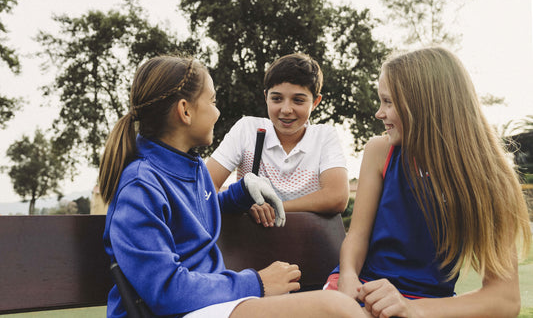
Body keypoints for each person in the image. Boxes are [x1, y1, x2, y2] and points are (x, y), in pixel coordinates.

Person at [99, 55, 362, 318]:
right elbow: (167, 291)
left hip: (210, 304)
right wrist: (257, 283)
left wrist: (242, 192)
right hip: (181, 309)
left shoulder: (191, 167)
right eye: (212, 101)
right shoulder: (140, 187)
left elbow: (195, 213)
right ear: (185, 111)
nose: (218, 111)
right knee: (335, 309)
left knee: (343, 307)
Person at [324, 46, 532, 318]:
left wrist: (412, 308)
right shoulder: (379, 151)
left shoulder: (492, 179)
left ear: (422, 106)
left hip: (429, 306)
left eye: (388, 102)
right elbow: (357, 235)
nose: (379, 113)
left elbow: (504, 300)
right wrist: (349, 276)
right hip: (362, 288)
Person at [207, 53, 349, 227]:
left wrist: (276, 208)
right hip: (250, 243)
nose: (286, 109)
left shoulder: (324, 136)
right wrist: (240, 204)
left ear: (315, 102)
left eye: (298, 100)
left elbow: (338, 197)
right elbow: (206, 186)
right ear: (266, 97)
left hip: (306, 244)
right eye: (276, 98)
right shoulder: (247, 129)